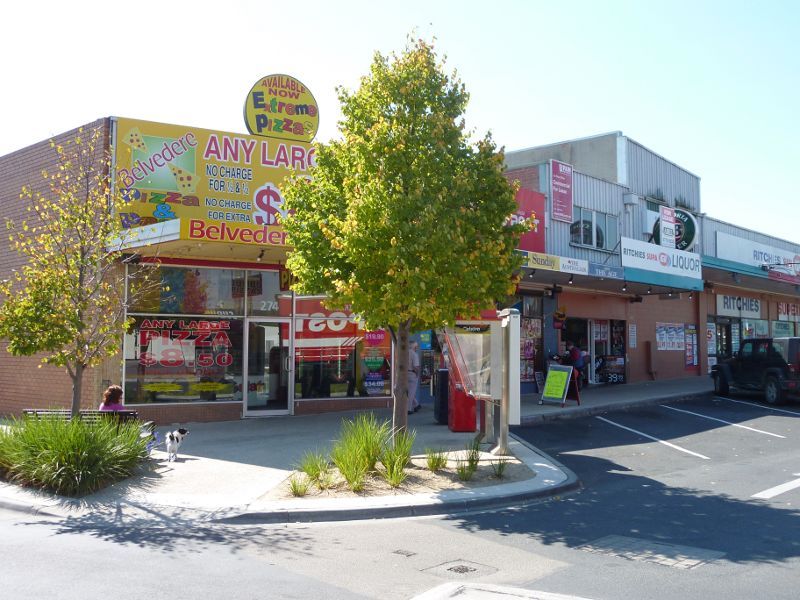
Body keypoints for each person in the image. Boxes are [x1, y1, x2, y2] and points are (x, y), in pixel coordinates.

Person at [407, 340, 420, 414]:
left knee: (408, 391)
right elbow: (416, 366)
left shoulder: (404, 353)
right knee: (411, 392)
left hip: (404, 374)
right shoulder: (414, 354)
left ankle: (416, 405)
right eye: (416, 346)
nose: (417, 348)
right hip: (412, 374)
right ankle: (409, 409)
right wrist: (417, 374)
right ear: (414, 346)